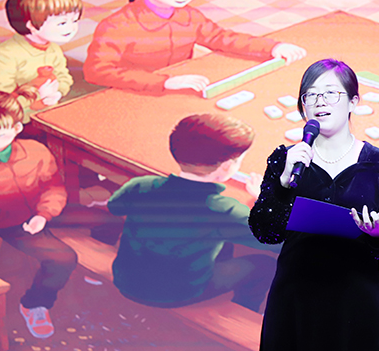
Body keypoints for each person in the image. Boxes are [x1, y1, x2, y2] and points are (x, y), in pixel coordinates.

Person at [249, 58, 379, 351]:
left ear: (353, 102)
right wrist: (283, 184)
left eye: (330, 93)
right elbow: (265, 232)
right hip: (295, 303)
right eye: (310, 94)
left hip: (356, 304)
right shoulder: (285, 160)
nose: (319, 101)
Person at [106, 113, 278, 312]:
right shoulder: (223, 210)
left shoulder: (141, 185)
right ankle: (242, 310)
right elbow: (277, 242)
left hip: (126, 279)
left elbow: (115, 207)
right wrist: (267, 199)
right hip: (179, 292)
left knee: (220, 241)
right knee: (266, 265)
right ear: (227, 166)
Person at [83, 0, 307, 93]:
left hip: (181, 86)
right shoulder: (118, 25)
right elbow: (97, 71)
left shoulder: (190, 16)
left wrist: (273, 47)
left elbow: (222, 38)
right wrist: (164, 82)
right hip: (131, 91)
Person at [0, 87, 77, 339]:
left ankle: (94, 275)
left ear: (17, 129)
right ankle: (32, 303)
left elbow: (53, 187)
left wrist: (44, 214)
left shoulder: (35, 151)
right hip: (9, 222)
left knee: (105, 217)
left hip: (41, 212)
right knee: (63, 258)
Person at [0, 0, 80, 121]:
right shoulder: (6, 54)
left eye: (75, 20)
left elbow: (63, 77)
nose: (72, 28)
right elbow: (1, 99)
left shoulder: (53, 49)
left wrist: (58, 92)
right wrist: (37, 95)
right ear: (31, 25)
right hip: (15, 122)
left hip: (48, 114)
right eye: (62, 23)